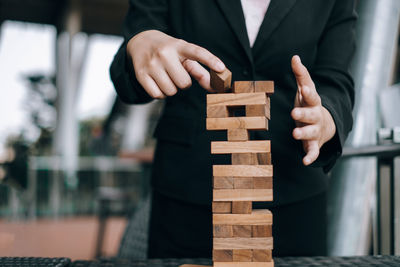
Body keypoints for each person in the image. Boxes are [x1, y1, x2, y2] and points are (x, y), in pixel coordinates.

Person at [110, 0, 356, 258]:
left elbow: (335, 79)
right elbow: (124, 71)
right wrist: (138, 44)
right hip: (188, 189)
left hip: (292, 192)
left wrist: (325, 117)